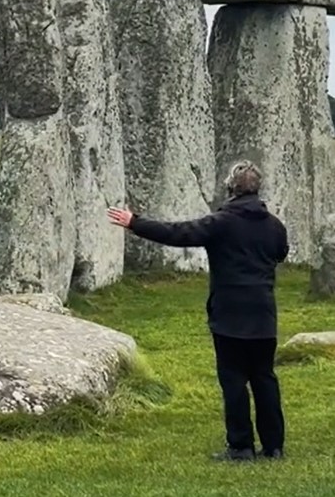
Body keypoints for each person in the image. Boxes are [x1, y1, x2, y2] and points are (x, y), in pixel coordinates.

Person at [107, 160, 289, 462]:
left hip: (229, 312)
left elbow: (178, 233)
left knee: (233, 379)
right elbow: (281, 253)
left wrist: (134, 222)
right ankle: (274, 447)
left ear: (230, 188)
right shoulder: (274, 226)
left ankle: (241, 446)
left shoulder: (221, 223)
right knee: (264, 378)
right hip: (263, 313)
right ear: (257, 189)